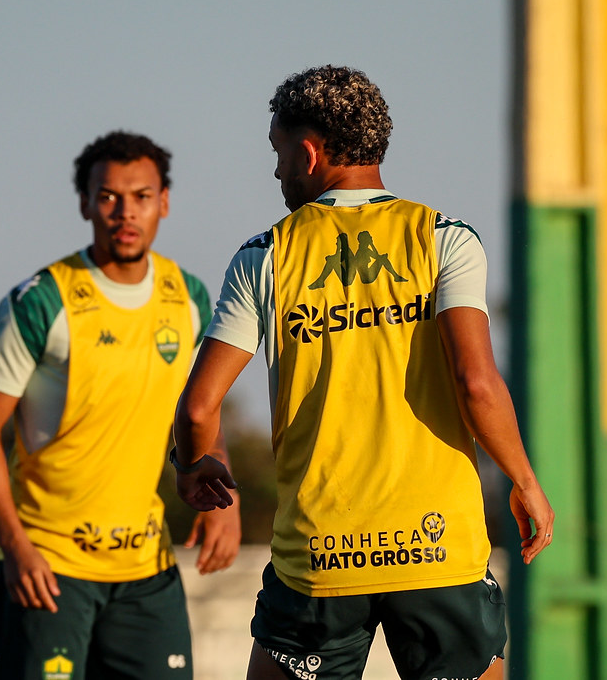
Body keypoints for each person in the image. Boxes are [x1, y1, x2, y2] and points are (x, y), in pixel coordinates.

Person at [171, 66, 554, 680]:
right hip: (438, 553)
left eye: (278, 153)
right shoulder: (445, 238)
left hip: (319, 561)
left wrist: (192, 466)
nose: (277, 172)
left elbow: (197, 409)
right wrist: (523, 479)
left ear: (308, 152)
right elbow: (477, 384)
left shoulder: (265, 255)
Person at [0, 130, 241, 680]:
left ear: (164, 201)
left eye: (141, 196)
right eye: (108, 196)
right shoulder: (42, 300)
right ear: (85, 203)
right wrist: (14, 545)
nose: (125, 212)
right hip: (50, 566)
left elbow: (201, 410)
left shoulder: (188, 296)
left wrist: (223, 500)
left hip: (146, 569)